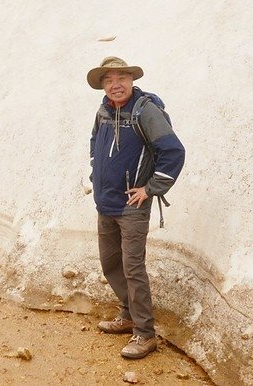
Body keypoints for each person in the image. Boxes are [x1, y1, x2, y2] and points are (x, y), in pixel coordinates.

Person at [87, 56, 185, 359]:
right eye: (109, 80)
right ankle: (127, 315)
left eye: (121, 78)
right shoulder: (104, 110)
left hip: (132, 206)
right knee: (111, 263)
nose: (115, 85)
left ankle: (145, 334)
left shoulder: (146, 111)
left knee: (133, 269)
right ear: (103, 85)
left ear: (131, 81)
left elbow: (173, 151)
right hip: (106, 203)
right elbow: (94, 144)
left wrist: (150, 188)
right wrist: (96, 172)